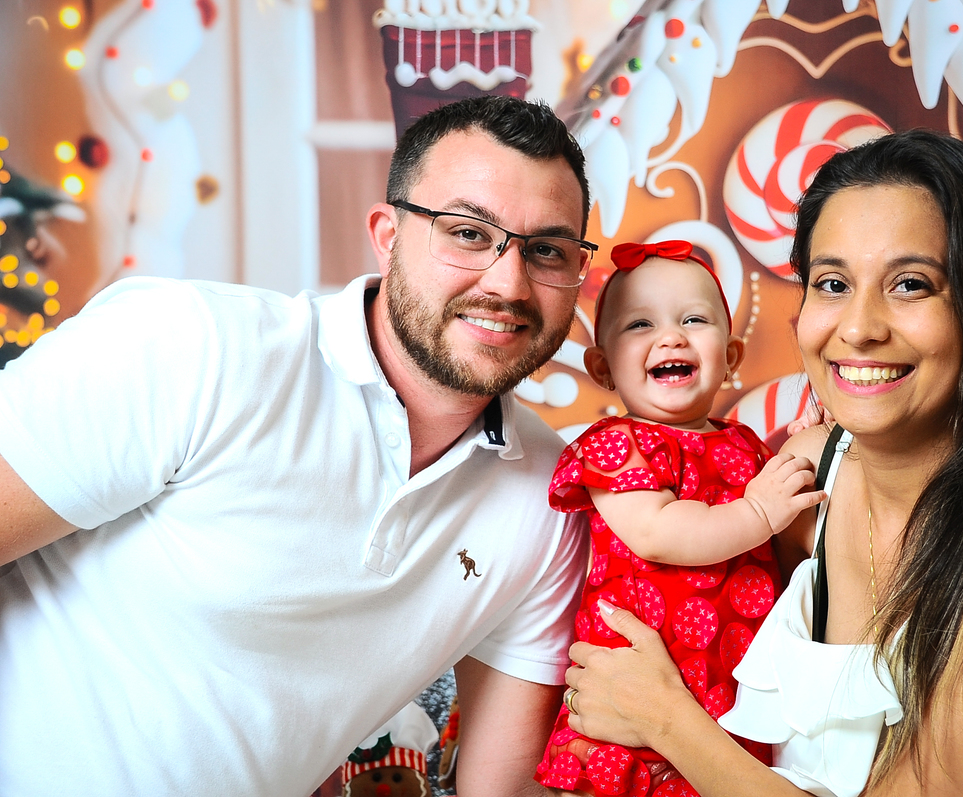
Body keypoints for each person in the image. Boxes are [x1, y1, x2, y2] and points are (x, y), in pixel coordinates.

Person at [557, 130, 963, 796]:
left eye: (910, 284)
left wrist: (665, 719)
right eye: (832, 284)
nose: (858, 328)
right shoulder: (802, 478)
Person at [0, 96, 595, 796]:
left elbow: (503, 788)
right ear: (387, 236)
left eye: (547, 250)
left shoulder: (553, 499)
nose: (507, 283)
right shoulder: (193, 346)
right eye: (468, 233)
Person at [533, 241, 825, 796]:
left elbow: (786, 533)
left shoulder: (744, 443)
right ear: (602, 367)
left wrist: (803, 454)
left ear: (731, 357)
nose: (671, 337)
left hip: (726, 684)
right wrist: (757, 509)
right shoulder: (619, 445)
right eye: (640, 324)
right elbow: (658, 532)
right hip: (635, 688)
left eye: (694, 320)